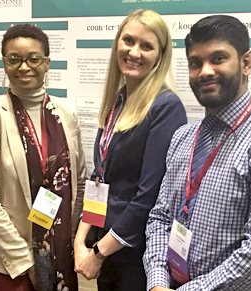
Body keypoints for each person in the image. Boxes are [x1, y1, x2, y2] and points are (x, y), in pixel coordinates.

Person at [143, 15, 251, 291]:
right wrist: (158, 283)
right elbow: (160, 218)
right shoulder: (183, 137)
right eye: (195, 63)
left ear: (246, 63)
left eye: (218, 59)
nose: (205, 71)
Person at [74, 9, 187, 291]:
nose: (134, 52)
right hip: (106, 245)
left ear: (159, 56)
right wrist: (80, 239)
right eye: (128, 41)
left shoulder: (166, 107)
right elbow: (100, 179)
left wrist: (99, 252)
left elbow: (147, 197)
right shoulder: (118, 101)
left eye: (146, 46)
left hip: (134, 255)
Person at [0, 24, 86, 291]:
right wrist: (27, 262)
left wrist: (70, 243)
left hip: (62, 259)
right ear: (4, 63)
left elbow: (79, 182)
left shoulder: (67, 113)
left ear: (47, 63)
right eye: (14, 59)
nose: (24, 67)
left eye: (33, 59)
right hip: (15, 268)